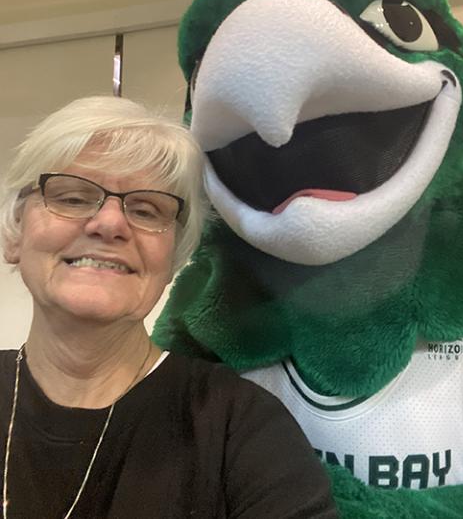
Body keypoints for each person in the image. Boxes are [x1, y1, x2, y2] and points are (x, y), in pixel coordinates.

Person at [0, 95, 336, 519]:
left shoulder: (241, 427)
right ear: (14, 235)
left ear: (172, 258)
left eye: (145, 209)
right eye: (71, 197)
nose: (109, 224)